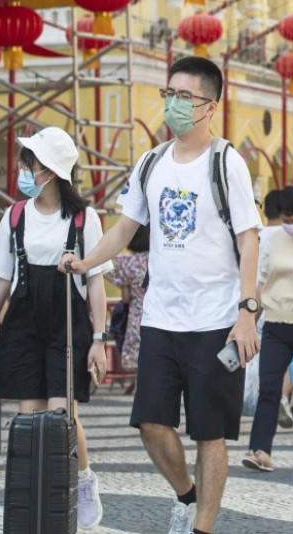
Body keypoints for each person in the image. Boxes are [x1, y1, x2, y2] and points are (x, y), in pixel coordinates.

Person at [64, 56, 261, 534]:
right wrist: (88, 263)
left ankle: (202, 527)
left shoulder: (225, 161)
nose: (172, 104)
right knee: (151, 422)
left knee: (210, 433)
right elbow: (126, 228)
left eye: (184, 97)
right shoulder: (150, 162)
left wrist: (247, 311)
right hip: (161, 318)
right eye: (168, 94)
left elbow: (248, 238)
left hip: (215, 319)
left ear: (210, 106)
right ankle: (186, 496)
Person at [0, 126, 111, 528]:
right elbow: (1, 278)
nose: (23, 169)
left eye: (30, 163)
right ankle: (35, 498)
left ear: (50, 170)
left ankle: (82, 480)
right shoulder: (14, 216)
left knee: (61, 415)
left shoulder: (86, 219)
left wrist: (100, 340)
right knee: (29, 416)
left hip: (67, 325)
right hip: (23, 324)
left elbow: (97, 281)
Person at [244, 185, 293, 472]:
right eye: (286, 221)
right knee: (269, 389)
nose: (291, 226)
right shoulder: (271, 239)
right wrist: (249, 321)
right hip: (276, 323)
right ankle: (260, 450)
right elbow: (262, 281)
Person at [111, 225, 151, 375]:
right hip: (158, 311)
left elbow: (126, 298)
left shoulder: (126, 262)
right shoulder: (157, 259)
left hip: (136, 316)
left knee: (139, 363)